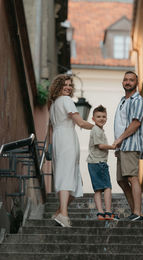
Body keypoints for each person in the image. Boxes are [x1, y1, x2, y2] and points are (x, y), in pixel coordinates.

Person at [48, 74, 94, 227]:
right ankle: (64, 215)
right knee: (67, 176)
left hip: (58, 138)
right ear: (58, 87)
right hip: (66, 138)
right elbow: (80, 122)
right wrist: (96, 127)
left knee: (73, 179)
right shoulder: (67, 101)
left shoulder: (54, 104)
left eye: (70, 85)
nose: (68, 87)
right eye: (64, 85)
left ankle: (59, 212)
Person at [113, 71, 143, 221]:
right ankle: (135, 211)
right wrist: (117, 146)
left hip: (130, 144)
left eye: (131, 80)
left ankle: (138, 213)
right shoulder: (123, 100)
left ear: (136, 83)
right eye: (125, 80)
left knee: (132, 177)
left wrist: (120, 139)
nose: (128, 82)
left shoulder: (138, 101)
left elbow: (135, 123)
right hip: (122, 146)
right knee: (121, 180)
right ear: (123, 83)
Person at [87, 105, 119, 220]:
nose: (101, 119)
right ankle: (108, 212)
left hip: (93, 162)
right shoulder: (96, 130)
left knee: (98, 189)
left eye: (104, 116)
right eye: (98, 116)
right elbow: (100, 146)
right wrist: (112, 146)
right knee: (107, 187)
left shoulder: (98, 130)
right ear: (93, 119)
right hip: (99, 163)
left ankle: (100, 213)